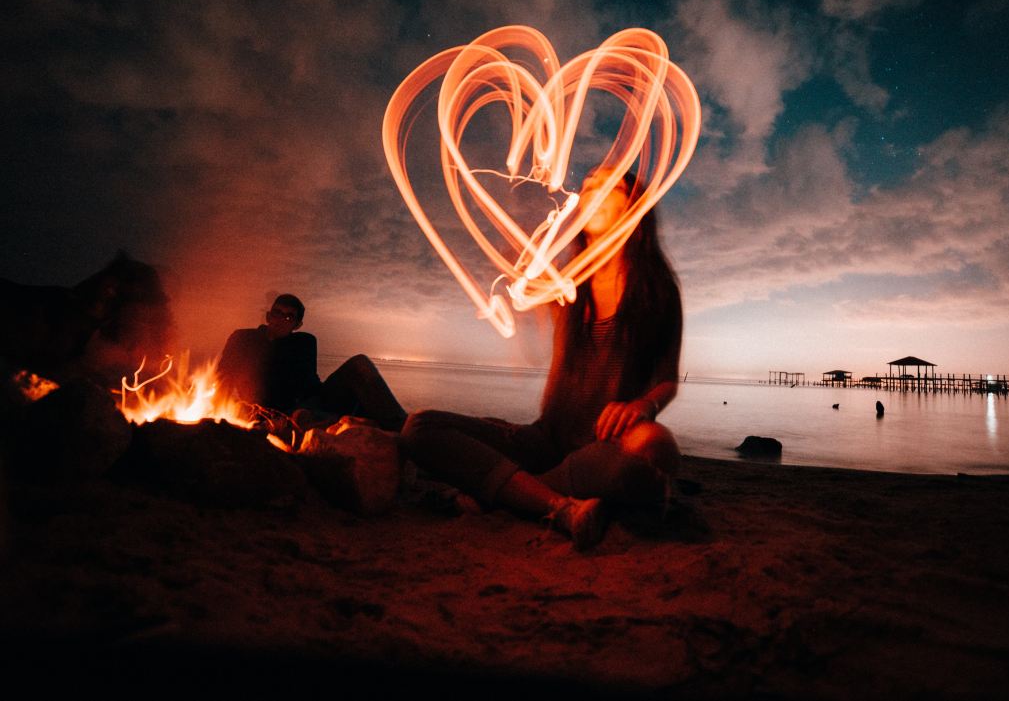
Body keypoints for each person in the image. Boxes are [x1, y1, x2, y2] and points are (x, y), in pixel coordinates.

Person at [400, 167, 683, 550]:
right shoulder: (565, 283)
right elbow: (522, 291)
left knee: (657, 445)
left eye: (609, 185)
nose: (591, 190)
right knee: (420, 428)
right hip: (545, 439)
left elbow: (667, 379)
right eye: (587, 186)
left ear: (634, 206)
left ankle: (516, 492)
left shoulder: (657, 292)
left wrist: (644, 405)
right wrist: (516, 271)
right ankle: (552, 500)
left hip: (606, 444)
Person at [218, 293, 407, 432]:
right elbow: (222, 376)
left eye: (289, 316)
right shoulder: (243, 338)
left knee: (360, 364)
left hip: (316, 400)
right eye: (277, 313)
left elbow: (304, 381)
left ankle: (402, 428)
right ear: (268, 316)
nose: (281, 319)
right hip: (280, 413)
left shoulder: (305, 341)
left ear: (297, 325)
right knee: (306, 418)